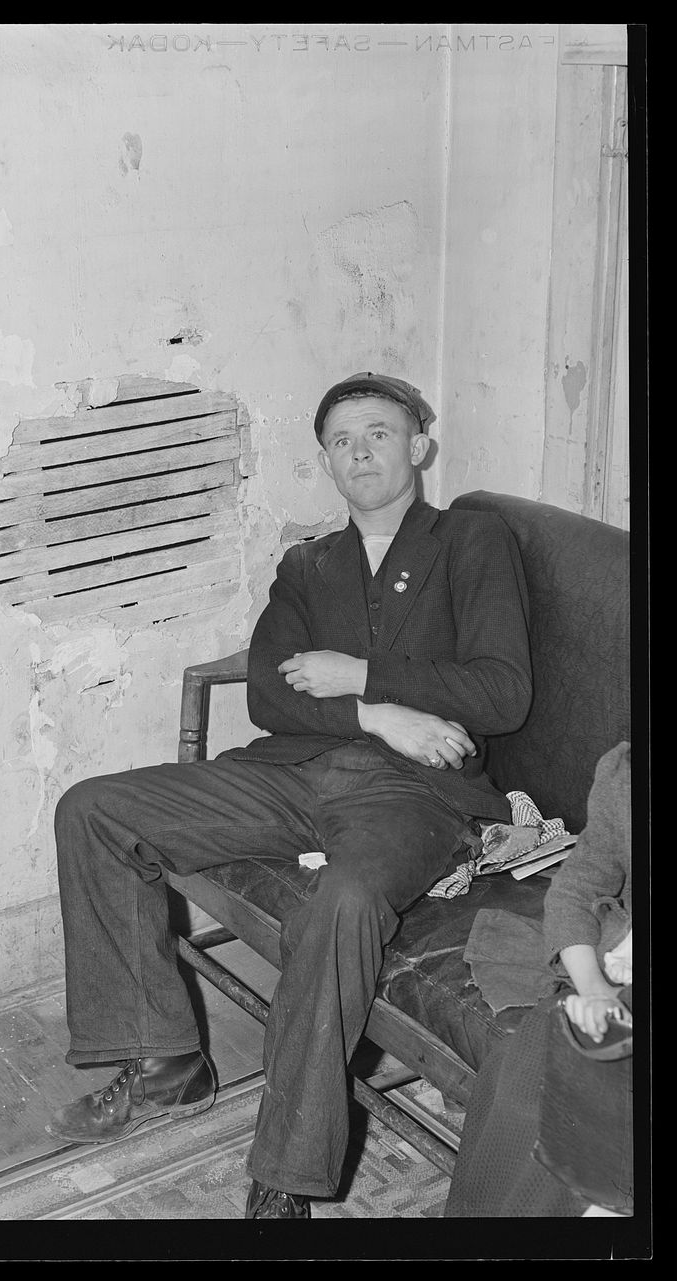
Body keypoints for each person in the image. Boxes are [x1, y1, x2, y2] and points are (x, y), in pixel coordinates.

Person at [46, 372, 533, 1218]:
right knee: (93, 809)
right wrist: (377, 708)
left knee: (344, 900)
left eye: (379, 433)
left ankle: (284, 1172)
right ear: (326, 464)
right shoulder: (309, 565)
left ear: (419, 445)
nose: (361, 452)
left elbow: (501, 693)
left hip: (413, 792)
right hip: (290, 771)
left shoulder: (472, 542)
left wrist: (355, 674)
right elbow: (270, 693)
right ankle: (166, 1060)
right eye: (342, 441)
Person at [444, 742, 632, 1217]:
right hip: (615, 974)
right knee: (519, 1085)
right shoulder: (624, 771)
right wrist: (593, 988)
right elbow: (578, 886)